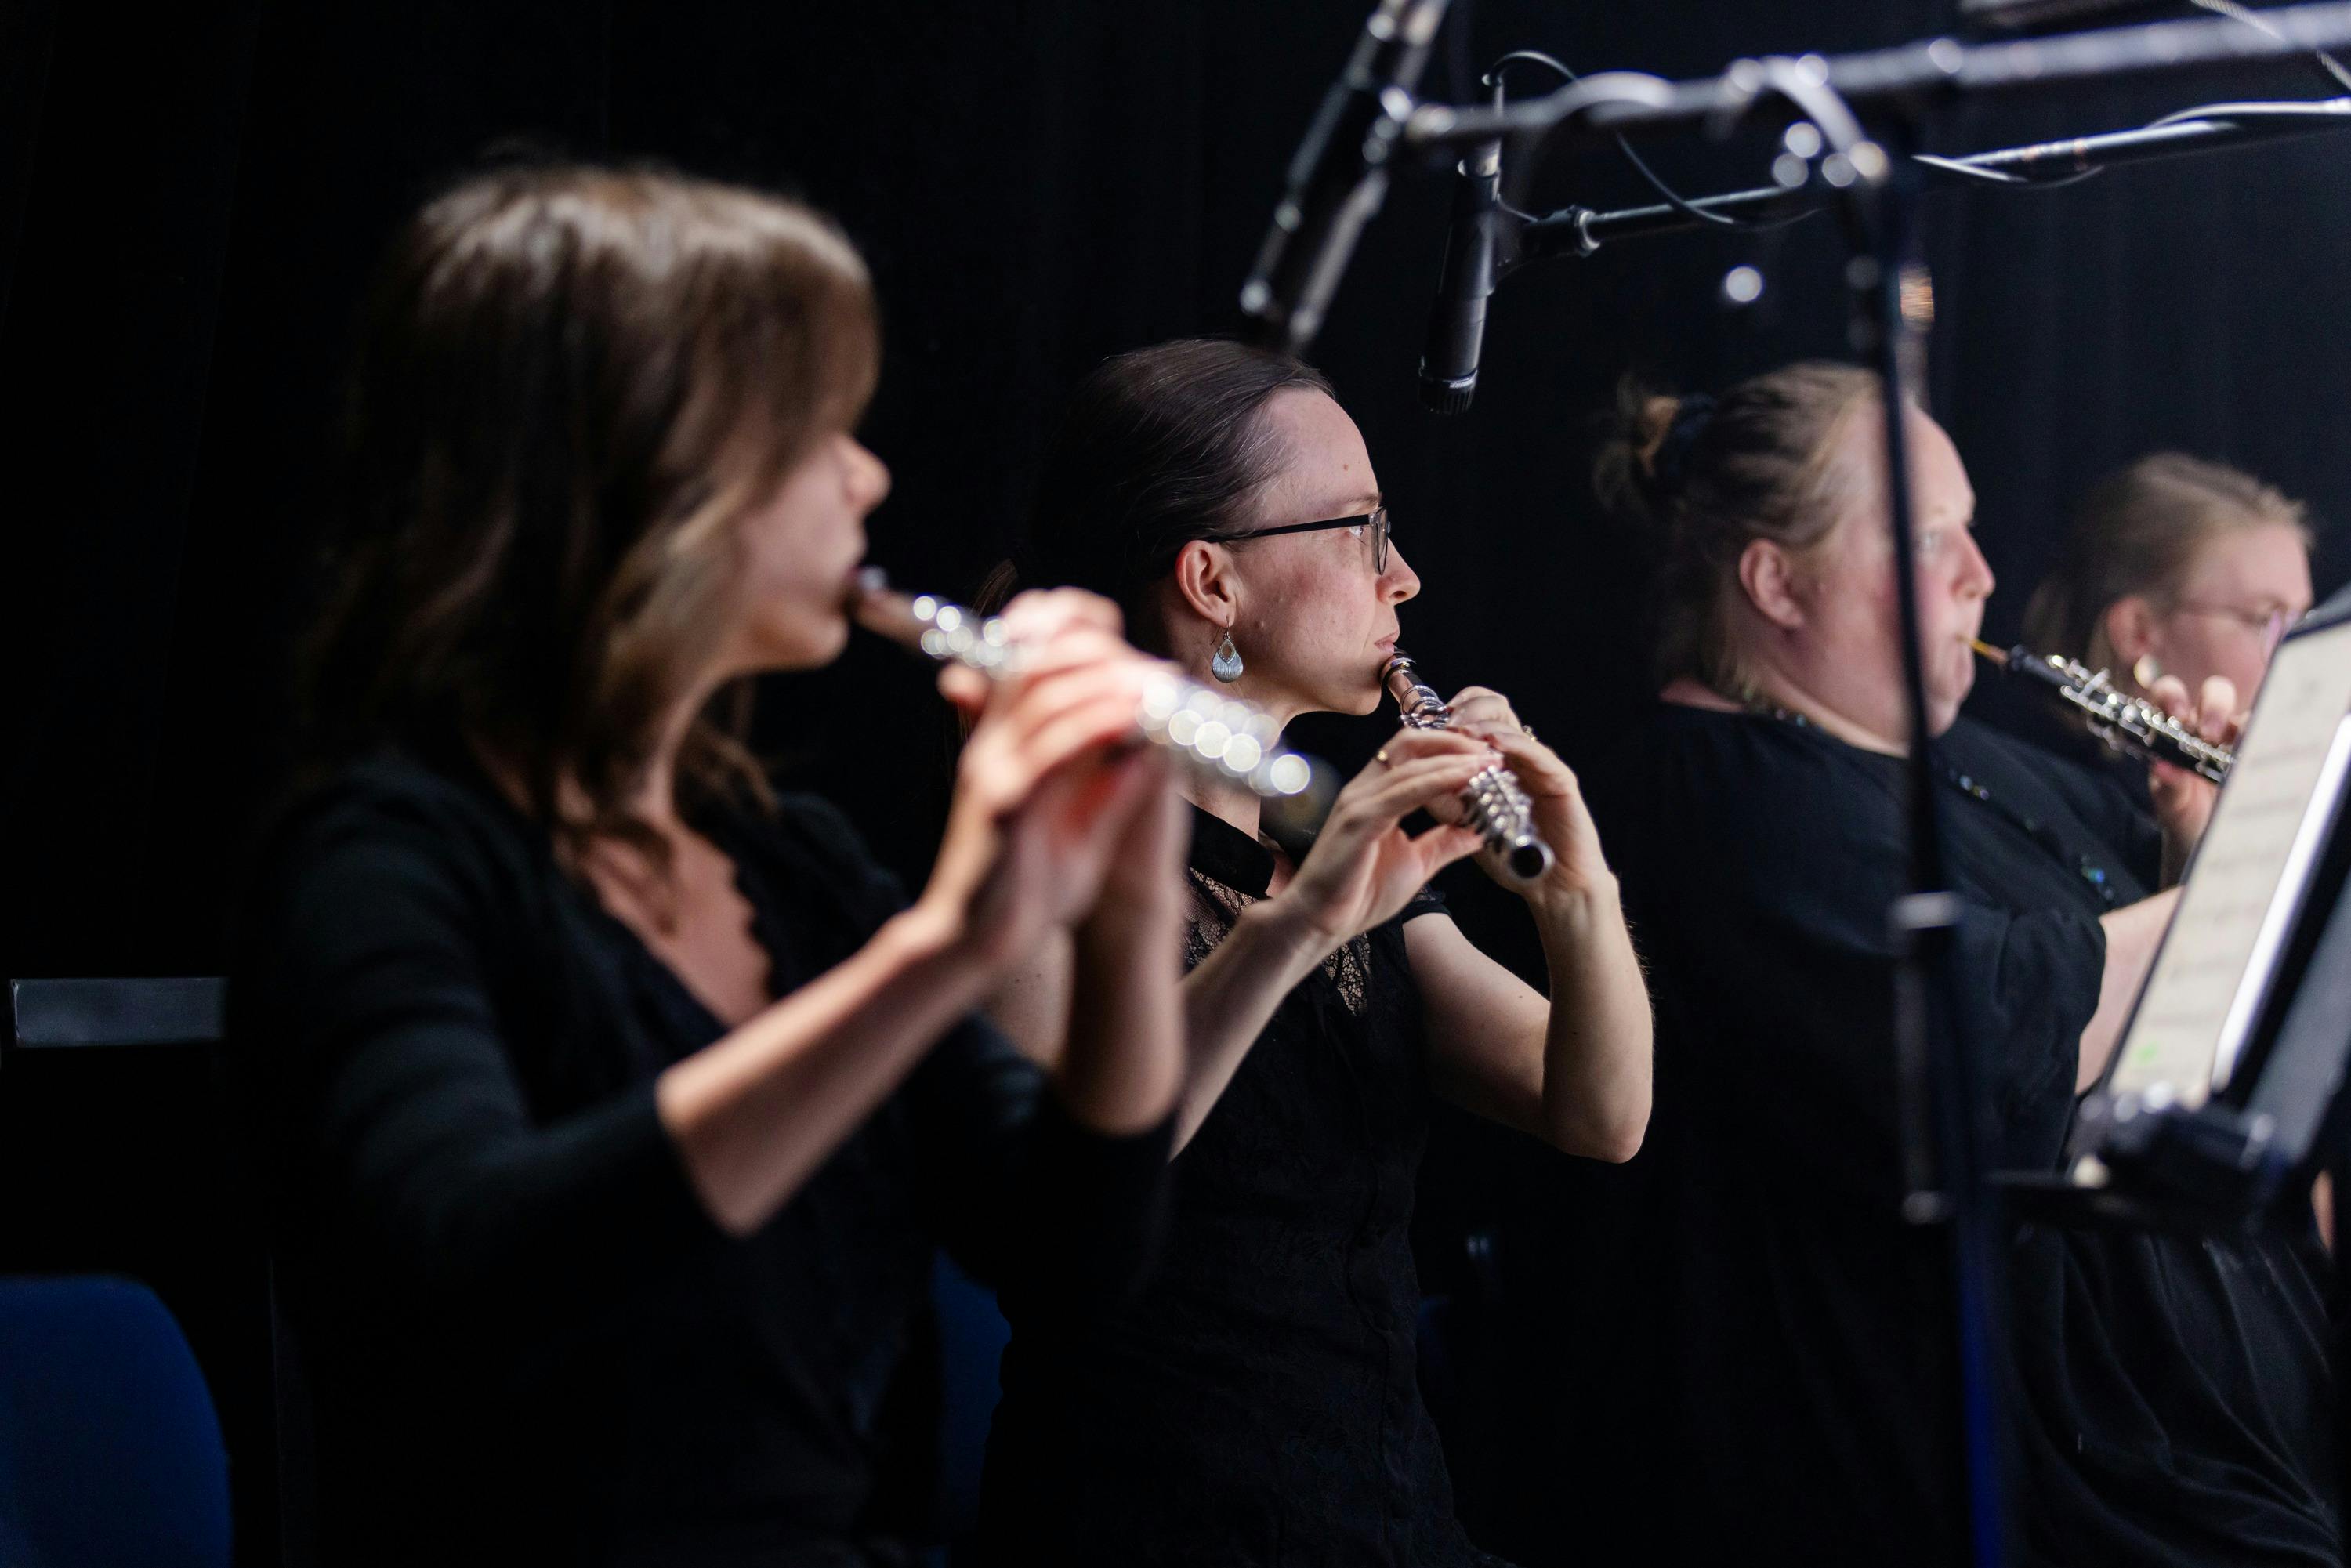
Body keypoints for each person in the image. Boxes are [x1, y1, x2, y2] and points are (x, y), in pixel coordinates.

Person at [232, 165, 1192, 1567]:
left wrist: (1125, 908)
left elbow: (1073, 1254)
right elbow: (476, 1270)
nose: (869, 475)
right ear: (642, 472)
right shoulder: (374, 867)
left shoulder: (782, 860)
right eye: (819, 433)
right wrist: (946, 950)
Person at [1520, 363, 2334, 1566]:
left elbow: (2161, 1007)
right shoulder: (1717, 789)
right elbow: (1986, 1036)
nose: (1980, 575)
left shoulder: (1987, 761)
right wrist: (2278, 836)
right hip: (2014, 1477)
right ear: (1776, 581)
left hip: (2206, 1448)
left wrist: (2189, 835)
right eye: (1928, 537)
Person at [975, 339, 1654, 1566]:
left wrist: (1578, 881)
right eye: (1360, 531)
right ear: (1213, 582)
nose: (1404, 577)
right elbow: (1058, 1220)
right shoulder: (1051, 832)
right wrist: (1300, 929)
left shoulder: (1316, 837)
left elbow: (1601, 1112)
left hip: (1387, 1519)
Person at [2006, 453, 2316, 805]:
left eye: (2301, 621)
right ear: (2139, 632)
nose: (2301, 657)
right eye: (2267, 621)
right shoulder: (2069, 807)